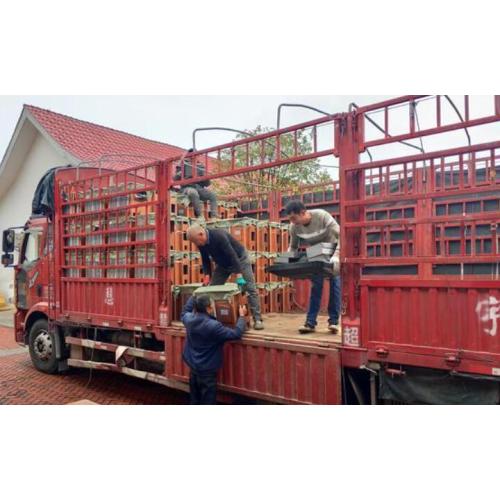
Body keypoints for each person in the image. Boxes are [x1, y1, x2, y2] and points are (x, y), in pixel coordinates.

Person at [186, 224, 264, 330]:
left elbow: (233, 255)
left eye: (196, 241)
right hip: (222, 264)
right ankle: (212, 319)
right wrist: (207, 276)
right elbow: (205, 260)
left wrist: (239, 275)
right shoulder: (201, 243)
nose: (196, 245)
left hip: (240, 259)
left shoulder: (219, 236)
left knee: (249, 288)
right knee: (212, 288)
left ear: (201, 234)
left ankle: (257, 319)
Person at [285, 200, 341, 334]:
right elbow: (293, 247)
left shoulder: (322, 216)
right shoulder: (294, 227)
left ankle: (333, 322)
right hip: (316, 252)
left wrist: (337, 255)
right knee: (316, 286)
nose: (292, 221)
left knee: (335, 284)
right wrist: (286, 260)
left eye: (294, 218)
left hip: (333, 249)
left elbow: (341, 235)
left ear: (303, 213)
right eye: (290, 219)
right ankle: (310, 323)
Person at [182, 294, 246, 404]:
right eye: (211, 305)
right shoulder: (213, 326)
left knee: (194, 402)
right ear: (208, 308)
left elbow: (184, 312)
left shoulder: (189, 320)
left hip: (193, 371)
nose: (213, 307)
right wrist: (242, 317)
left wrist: (193, 296)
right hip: (207, 375)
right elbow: (236, 334)